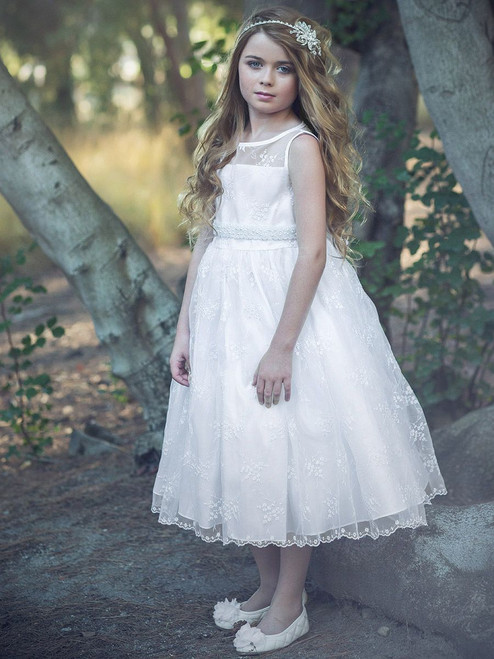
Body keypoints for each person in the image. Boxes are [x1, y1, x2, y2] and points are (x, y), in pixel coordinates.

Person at [152, 5, 447, 655]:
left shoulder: (301, 146)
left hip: (284, 311)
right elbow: (207, 238)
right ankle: (264, 584)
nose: (266, 79)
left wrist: (282, 346)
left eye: (283, 69)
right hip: (225, 314)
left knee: (282, 446)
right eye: (254, 63)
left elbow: (312, 252)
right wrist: (185, 330)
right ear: (236, 69)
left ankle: (291, 602)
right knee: (246, 445)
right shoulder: (224, 140)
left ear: (301, 78)